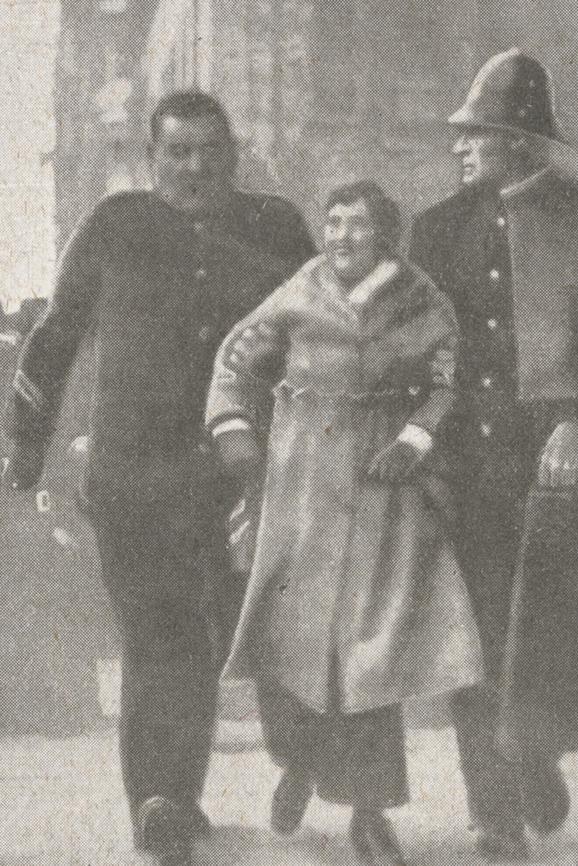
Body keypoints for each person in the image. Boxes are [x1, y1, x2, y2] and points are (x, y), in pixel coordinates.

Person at [2, 90, 314, 866]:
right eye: (177, 152)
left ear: (232, 155)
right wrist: (26, 450)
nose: (194, 166)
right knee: (159, 639)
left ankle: (248, 771)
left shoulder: (275, 227)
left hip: (246, 476)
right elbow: (55, 336)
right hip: (135, 477)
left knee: (237, 638)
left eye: (210, 150)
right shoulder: (114, 227)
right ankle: (161, 800)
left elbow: (327, 332)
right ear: (152, 158)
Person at [410, 48, 578, 861]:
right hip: (469, 461)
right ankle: (495, 814)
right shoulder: (437, 229)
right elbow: (416, 352)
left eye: (475, 132)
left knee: (544, 636)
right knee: (474, 637)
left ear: (518, 138)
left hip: (562, 461)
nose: (461, 147)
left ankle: (535, 751)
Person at [205, 180, 482, 866]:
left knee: (371, 649)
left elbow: (452, 380)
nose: (340, 237)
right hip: (301, 481)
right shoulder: (299, 291)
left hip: (381, 482)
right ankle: (298, 761)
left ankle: (369, 812)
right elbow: (235, 362)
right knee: (290, 635)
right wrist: (235, 431)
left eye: (356, 226)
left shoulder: (421, 300)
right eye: (332, 223)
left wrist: (416, 438)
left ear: (384, 235)